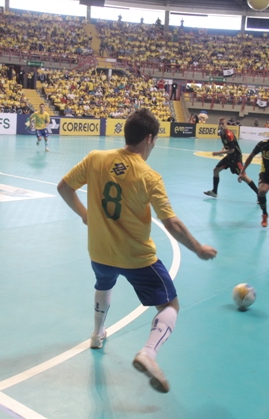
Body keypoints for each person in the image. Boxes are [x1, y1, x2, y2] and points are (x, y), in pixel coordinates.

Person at [56, 109, 217, 393]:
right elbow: (172, 223)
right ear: (149, 138)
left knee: (104, 283)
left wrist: (85, 215)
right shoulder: (149, 176)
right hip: (136, 258)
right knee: (170, 305)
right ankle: (148, 353)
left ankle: (96, 334)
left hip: (99, 250)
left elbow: (64, 188)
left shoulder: (96, 158)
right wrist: (198, 248)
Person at [204, 118, 260, 199]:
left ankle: (259, 194)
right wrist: (222, 149)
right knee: (215, 170)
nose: (221, 125)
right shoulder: (221, 133)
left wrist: (218, 153)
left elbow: (231, 150)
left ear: (226, 124)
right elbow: (226, 144)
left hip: (236, 158)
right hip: (229, 157)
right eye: (220, 123)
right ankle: (214, 192)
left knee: (244, 177)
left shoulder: (229, 134)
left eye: (223, 123)